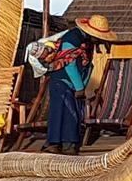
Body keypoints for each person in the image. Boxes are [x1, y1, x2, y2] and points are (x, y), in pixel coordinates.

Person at [44, 14, 118, 155]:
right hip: (62, 81)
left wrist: (81, 86)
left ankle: (69, 144)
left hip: (74, 83)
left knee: (74, 112)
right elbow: (70, 64)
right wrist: (79, 87)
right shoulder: (72, 39)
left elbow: (87, 66)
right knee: (63, 112)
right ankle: (57, 144)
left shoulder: (86, 41)